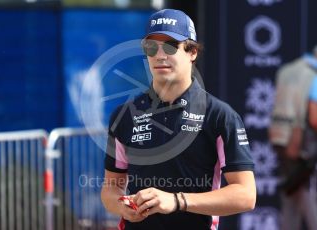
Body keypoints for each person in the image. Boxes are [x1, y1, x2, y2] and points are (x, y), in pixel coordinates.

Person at [101, 9, 256, 230]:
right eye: (151, 47)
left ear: (192, 52)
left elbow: (246, 195)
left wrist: (176, 201)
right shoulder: (124, 115)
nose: (160, 55)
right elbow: (110, 188)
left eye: (171, 46)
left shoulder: (219, 115)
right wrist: (121, 206)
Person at [269, 45, 317, 230]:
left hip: (280, 138)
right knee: (307, 196)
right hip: (301, 144)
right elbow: (311, 117)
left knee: (291, 196)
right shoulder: (313, 75)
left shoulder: (287, 70)